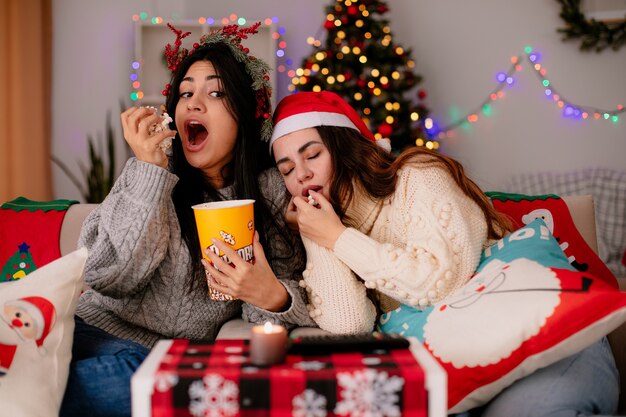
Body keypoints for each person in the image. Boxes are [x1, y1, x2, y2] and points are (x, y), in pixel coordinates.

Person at [268, 90, 619, 416]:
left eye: (312, 154)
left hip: (546, 342)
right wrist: (320, 236)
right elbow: (350, 323)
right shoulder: (332, 226)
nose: (302, 174)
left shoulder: (418, 175)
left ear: (344, 147)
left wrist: (338, 236)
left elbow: (438, 282)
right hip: (464, 366)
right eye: (287, 170)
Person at [60, 23, 314, 417]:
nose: (193, 103)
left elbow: (296, 297)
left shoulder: (270, 193)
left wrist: (273, 296)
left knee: (129, 380)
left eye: (215, 92)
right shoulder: (147, 174)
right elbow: (106, 275)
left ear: (245, 116)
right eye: (185, 93)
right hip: (88, 331)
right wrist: (151, 174)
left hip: (153, 360)